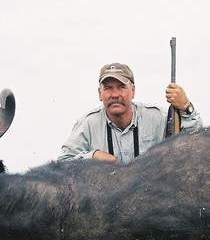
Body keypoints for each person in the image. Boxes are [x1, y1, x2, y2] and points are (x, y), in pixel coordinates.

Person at [57, 62, 202, 164]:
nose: (115, 94)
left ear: (133, 91)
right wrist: (93, 157)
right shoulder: (88, 123)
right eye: (108, 88)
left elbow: (196, 139)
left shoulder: (158, 117)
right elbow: (62, 162)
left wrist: (186, 108)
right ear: (100, 93)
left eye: (121, 87)